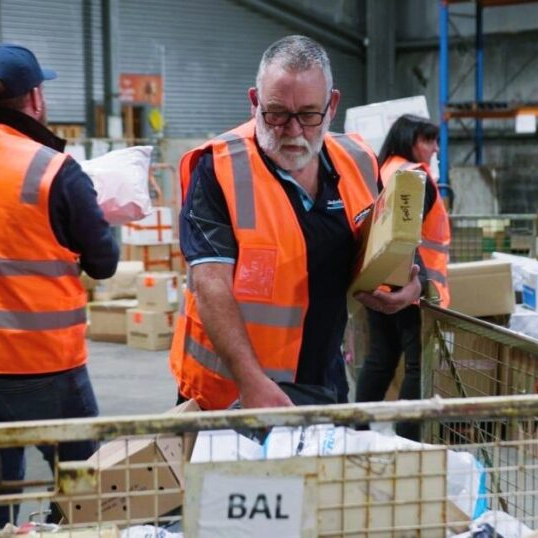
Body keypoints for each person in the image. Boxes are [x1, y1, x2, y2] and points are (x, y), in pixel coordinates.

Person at [171, 35, 421, 411]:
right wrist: (251, 382)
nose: (292, 130)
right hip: (230, 395)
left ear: (332, 105)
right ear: (254, 102)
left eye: (308, 114)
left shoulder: (358, 161)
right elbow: (210, 285)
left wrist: (403, 286)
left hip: (320, 381)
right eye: (276, 113)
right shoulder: (219, 169)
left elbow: (380, 245)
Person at [0, 43, 118, 529]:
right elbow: (104, 263)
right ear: (34, 99)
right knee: (84, 488)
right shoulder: (56, 171)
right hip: (48, 366)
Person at [354, 114, 451, 441]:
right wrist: (418, 286)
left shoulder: (381, 169)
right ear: (410, 140)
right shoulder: (414, 178)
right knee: (417, 366)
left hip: (377, 281)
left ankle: (357, 430)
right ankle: (408, 437)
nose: (435, 148)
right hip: (409, 286)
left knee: (380, 359)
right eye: (429, 140)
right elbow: (408, 238)